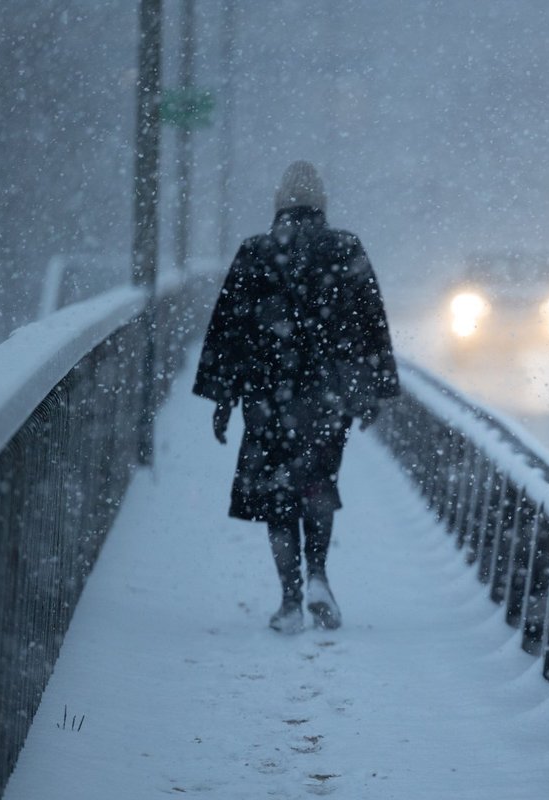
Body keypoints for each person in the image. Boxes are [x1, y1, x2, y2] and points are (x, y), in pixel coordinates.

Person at [193, 160, 399, 634]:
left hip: (269, 398)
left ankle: (289, 602)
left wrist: (224, 398)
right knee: (317, 484)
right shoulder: (346, 248)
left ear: (278, 206)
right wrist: (372, 391)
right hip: (329, 397)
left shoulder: (256, 252)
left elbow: (230, 331)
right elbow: (372, 324)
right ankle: (320, 576)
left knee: (278, 497)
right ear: (322, 206)